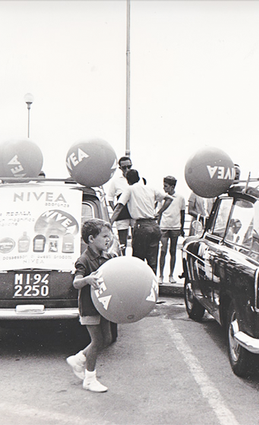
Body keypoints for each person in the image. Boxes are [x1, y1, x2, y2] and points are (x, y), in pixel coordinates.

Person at [66, 219, 116, 393]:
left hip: (104, 305)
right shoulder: (84, 260)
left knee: (107, 339)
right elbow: (76, 283)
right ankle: (89, 378)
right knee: (97, 341)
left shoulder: (107, 256)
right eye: (104, 237)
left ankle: (78, 359)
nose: (108, 240)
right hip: (89, 307)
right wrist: (87, 279)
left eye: (109, 237)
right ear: (91, 238)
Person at [110, 169, 173, 274]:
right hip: (154, 225)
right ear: (138, 178)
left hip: (141, 225)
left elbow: (119, 207)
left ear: (127, 180)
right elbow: (169, 198)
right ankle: (153, 283)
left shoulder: (129, 189)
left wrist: (110, 222)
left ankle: (139, 285)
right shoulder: (150, 188)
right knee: (152, 260)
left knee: (138, 261)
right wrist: (159, 212)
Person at [157, 176, 185, 284]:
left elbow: (182, 213)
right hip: (164, 227)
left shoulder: (180, 198)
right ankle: (161, 275)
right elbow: (159, 212)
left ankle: (171, 275)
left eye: (166, 186)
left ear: (172, 187)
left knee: (173, 251)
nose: (164, 188)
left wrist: (182, 228)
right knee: (163, 251)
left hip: (175, 227)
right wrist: (157, 226)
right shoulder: (162, 197)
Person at [106, 156, 134, 254]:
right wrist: (116, 211)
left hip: (135, 213)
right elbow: (110, 197)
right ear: (120, 168)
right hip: (122, 214)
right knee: (123, 242)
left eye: (129, 167)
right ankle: (123, 260)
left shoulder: (138, 179)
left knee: (137, 241)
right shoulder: (116, 181)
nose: (127, 170)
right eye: (124, 167)